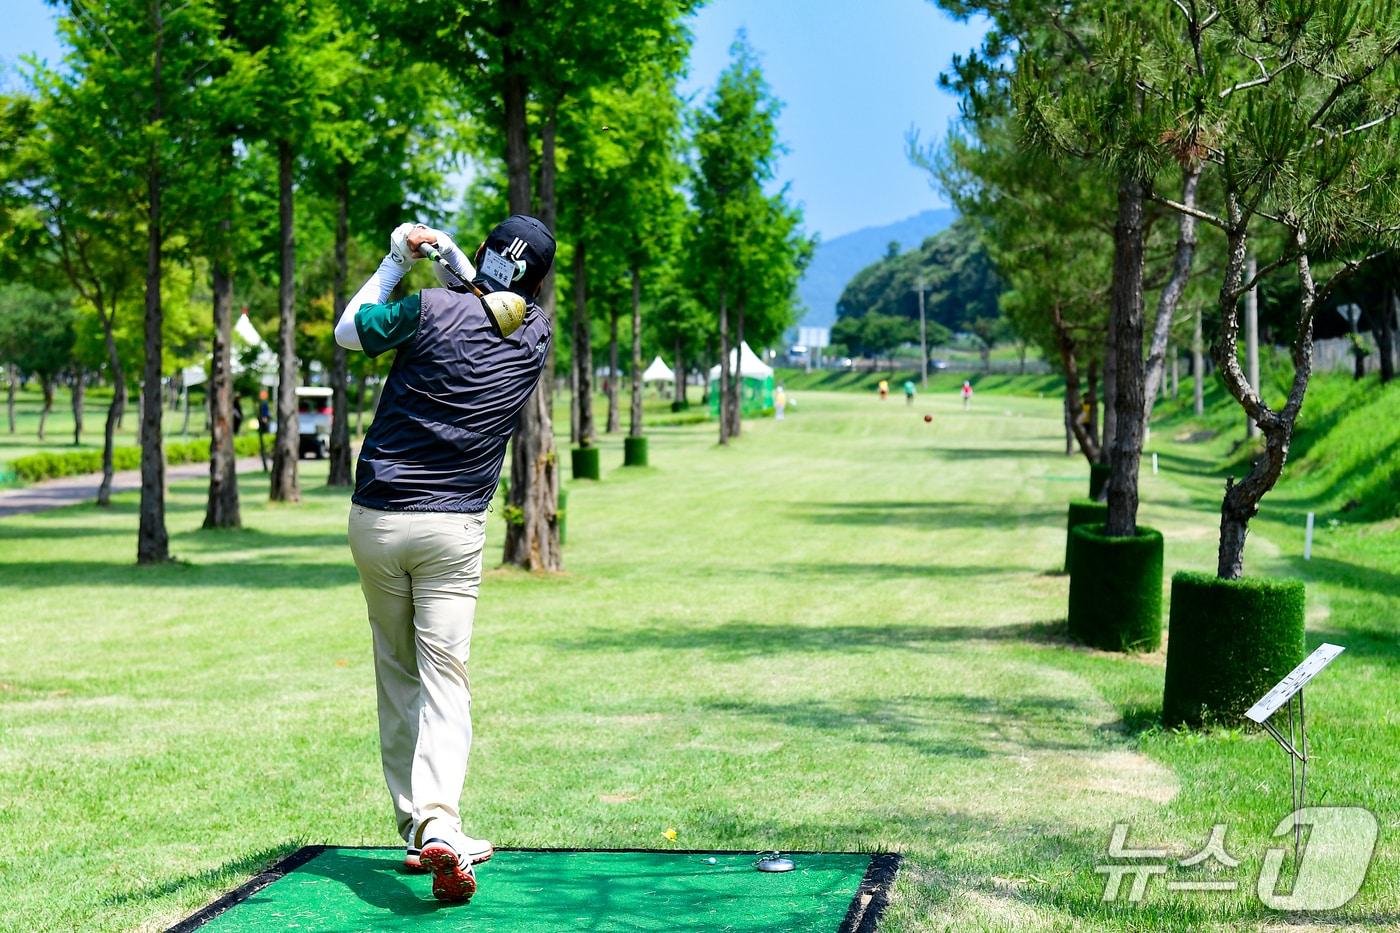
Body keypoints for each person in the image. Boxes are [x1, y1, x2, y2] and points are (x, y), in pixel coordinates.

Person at [334, 214, 556, 904]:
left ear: (486, 253)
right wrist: (457, 258)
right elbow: (491, 303)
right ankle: (441, 823)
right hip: (452, 529)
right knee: (445, 677)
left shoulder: (428, 307)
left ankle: (418, 829)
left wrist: (397, 259)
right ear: (540, 282)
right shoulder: (536, 333)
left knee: (398, 671)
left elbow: (350, 331)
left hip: (377, 519)